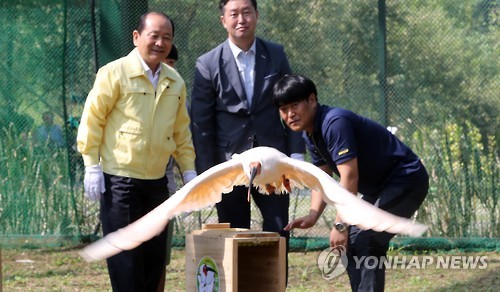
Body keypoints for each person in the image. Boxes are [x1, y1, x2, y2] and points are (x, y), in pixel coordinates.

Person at [273, 74, 429, 292]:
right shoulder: (311, 134)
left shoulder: (334, 123)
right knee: (353, 242)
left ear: (312, 100)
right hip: (381, 186)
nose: (290, 114)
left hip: (406, 179)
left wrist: (340, 224)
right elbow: (322, 178)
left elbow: (349, 177)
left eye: (295, 105)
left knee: (365, 239)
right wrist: (313, 215)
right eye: (283, 108)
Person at [77, 11, 196, 292]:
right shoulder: (114, 72)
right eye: (154, 35)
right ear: (136, 37)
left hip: (156, 185)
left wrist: (188, 170)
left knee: (153, 262)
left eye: (166, 37)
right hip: (120, 183)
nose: (160, 43)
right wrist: (91, 165)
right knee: (126, 263)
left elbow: (181, 131)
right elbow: (92, 120)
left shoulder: (175, 81)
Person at [190, 0, 305, 282]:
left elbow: (291, 104)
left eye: (247, 12)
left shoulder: (275, 55)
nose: (241, 19)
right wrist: (207, 172)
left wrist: (296, 153)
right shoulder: (207, 64)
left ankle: (274, 285)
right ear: (223, 20)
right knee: (234, 233)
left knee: (279, 230)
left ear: (256, 15)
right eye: (234, 14)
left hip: (273, 164)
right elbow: (201, 123)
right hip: (230, 166)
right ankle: (237, 286)